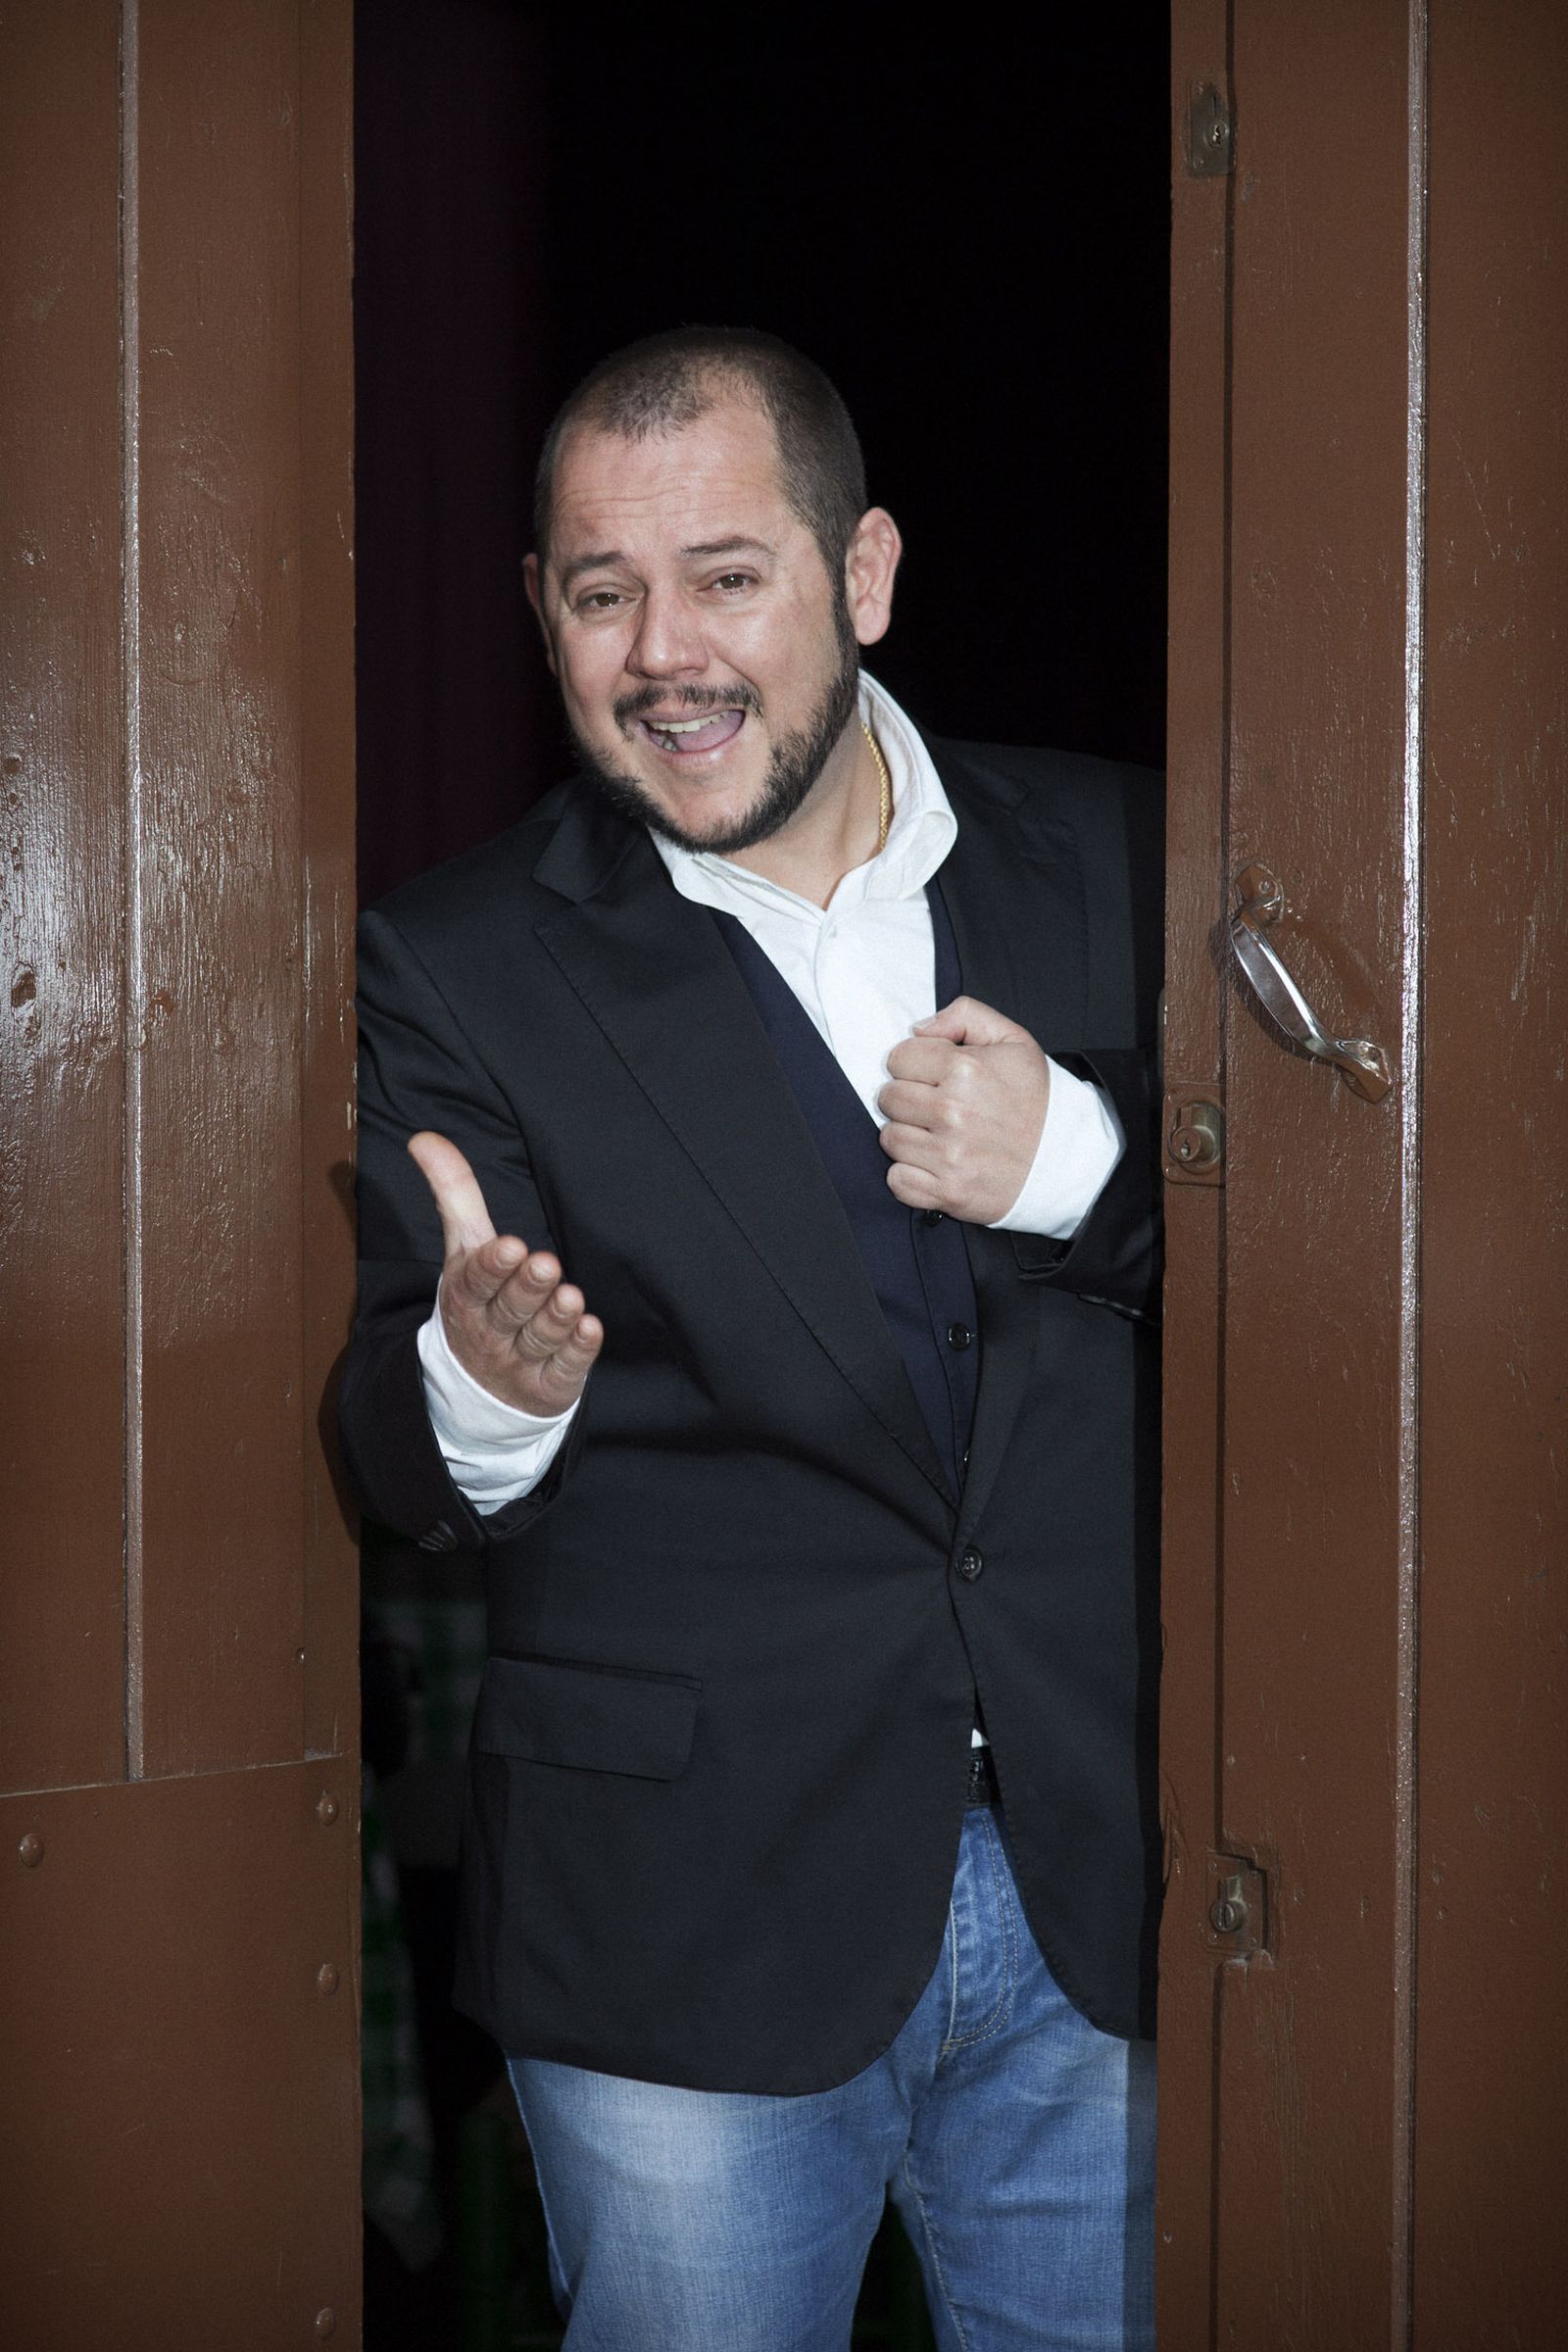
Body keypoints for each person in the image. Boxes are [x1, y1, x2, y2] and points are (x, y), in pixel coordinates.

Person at [340, 326, 1163, 2351]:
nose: (661, 654)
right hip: (678, 1943)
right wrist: (485, 1388)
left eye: (726, 575)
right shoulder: (448, 959)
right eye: (598, 592)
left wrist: (1080, 1166)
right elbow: (383, 1446)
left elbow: (1378, 1293)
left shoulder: (1144, 851)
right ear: (540, 616)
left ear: (862, 576)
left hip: (1109, 1899)